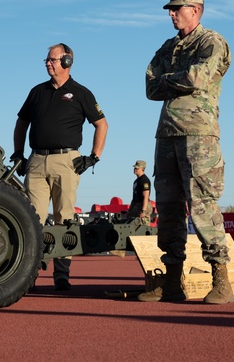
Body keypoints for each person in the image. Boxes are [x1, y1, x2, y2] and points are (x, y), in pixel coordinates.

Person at [139, 0, 233, 305]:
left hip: (199, 135)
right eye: (170, 8)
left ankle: (221, 279)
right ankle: (171, 281)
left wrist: (170, 78)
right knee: (167, 210)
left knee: (203, 206)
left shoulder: (211, 41)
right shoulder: (168, 47)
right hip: (166, 135)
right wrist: (174, 78)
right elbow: (150, 86)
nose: (171, 13)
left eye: (177, 8)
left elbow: (199, 78)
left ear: (195, 9)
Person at [13, 42, 107, 291]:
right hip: (36, 161)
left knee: (64, 218)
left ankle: (61, 275)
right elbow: (21, 123)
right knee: (31, 219)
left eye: (53, 59)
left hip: (66, 162)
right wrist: (18, 154)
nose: (48, 63)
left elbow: (101, 125)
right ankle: (28, 274)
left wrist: (93, 157)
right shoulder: (37, 92)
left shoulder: (81, 93)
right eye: (46, 59)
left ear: (67, 62)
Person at [127, 160, 153, 224]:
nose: (135, 169)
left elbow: (146, 197)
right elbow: (134, 198)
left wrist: (143, 211)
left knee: (142, 226)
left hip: (143, 205)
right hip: (136, 205)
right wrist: (129, 211)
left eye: (137, 168)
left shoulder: (144, 180)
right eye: (134, 168)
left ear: (142, 169)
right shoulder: (136, 181)